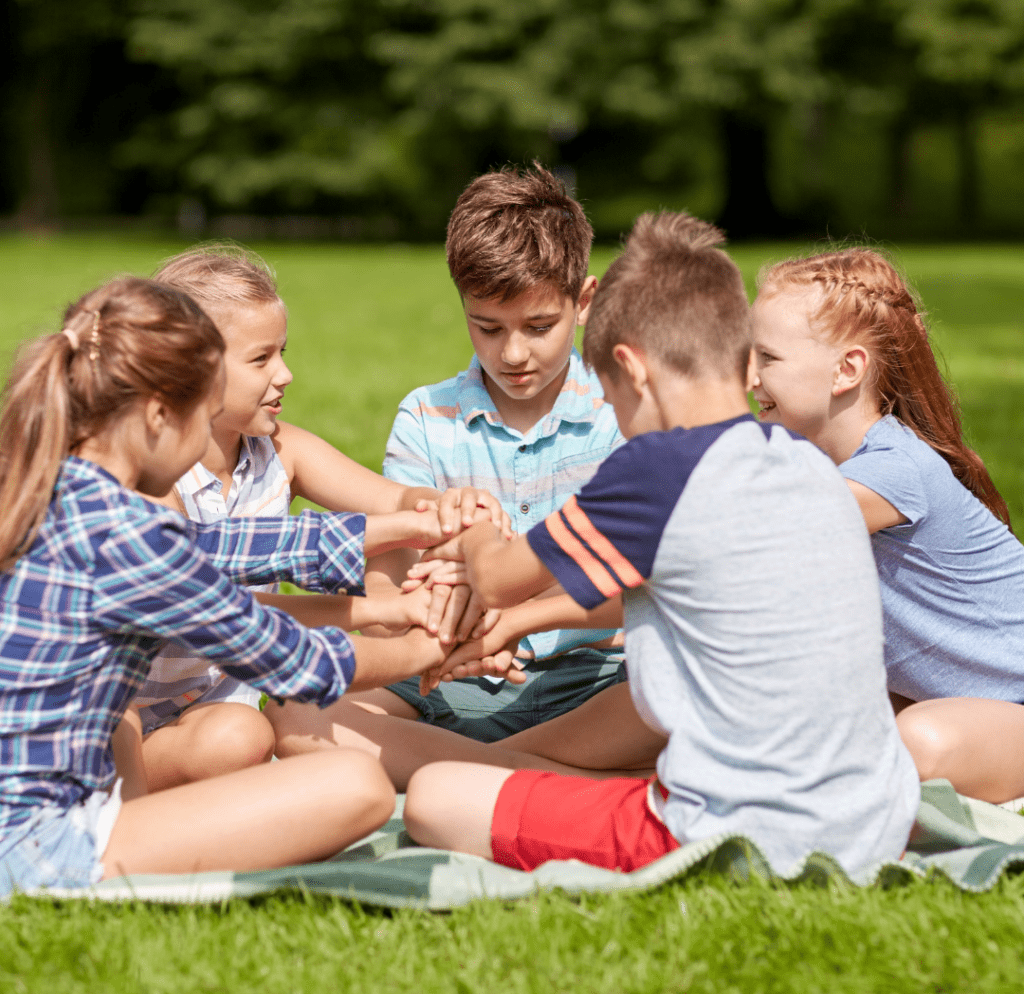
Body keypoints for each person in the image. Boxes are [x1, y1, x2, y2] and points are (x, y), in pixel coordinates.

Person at [402, 213, 920, 879]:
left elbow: (499, 577)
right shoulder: (804, 462)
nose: (620, 420)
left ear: (630, 371)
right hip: (878, 819)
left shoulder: (656, 470)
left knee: (436, 795)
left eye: (613, 399)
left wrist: (473, 517)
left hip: (743, 832)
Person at [0, 277, 453, 895]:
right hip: (36, 849)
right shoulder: (133, 539)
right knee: (356, 786)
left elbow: (226, 548)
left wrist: (392, 538)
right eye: (204, 408)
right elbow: (296, 661)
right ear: (160, 415)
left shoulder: (49, 490)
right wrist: (430, 646)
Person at [269, 163, 627, 754]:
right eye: (486, 327)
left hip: (591, 677)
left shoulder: (623, 411)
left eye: (539, 326)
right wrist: (448, 634)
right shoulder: (425, 417)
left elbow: (636, 588)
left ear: (584, 300)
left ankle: (463, 768)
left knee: (678, 697)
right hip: (444, 673)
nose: (512, 353)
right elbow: (388, 590)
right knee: (293, 715)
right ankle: (514, 768)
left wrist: (498, 603)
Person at [131, 244, 505, 792]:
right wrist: (397, 615)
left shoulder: (280, 450)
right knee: (213, 736)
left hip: (206, 710)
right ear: (189, 370)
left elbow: (393, 500)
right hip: (119, 710)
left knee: (244, 736)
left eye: (282, 351)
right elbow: (236, 608)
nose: (285, 374)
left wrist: (446, 506)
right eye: (260, 360)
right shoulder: (150, 477)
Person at [749, 247, 1024, 804]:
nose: (748, 375)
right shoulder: (805, 463)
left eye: (767, 358)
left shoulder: (894, 471)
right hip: (947, 700)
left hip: (1007, 705)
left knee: (917, 746)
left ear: (846, 370)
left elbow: (737, 538)